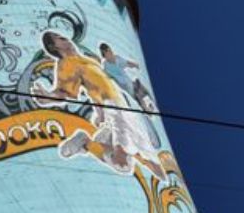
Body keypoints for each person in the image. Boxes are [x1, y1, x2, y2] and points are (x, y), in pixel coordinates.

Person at [40, 31, 163, 179]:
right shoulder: (66, 64)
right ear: (53, 47)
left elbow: (97, 87)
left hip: (125, 108)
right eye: (57, 39)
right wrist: (49, 96)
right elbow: (64, 91)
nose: (63, 37)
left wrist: (100, 113)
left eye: (61, 35)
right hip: (115, 109)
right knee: (123, 164)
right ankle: (86, 143)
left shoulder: (89, 60)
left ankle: (100, 139)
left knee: (152, 166)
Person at [99, 42, 161, 149]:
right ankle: (150, 139)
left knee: (145, 107)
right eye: (108, 52)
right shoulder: (105, 66)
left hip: (132, 89)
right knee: (139, 113)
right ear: (104, 54)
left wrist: (136, 65)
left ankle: (153, 137)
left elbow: (128, 63)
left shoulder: (117, 58)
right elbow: (105, 77)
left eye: (110, 50)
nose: (111, 53)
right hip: (124, 94)